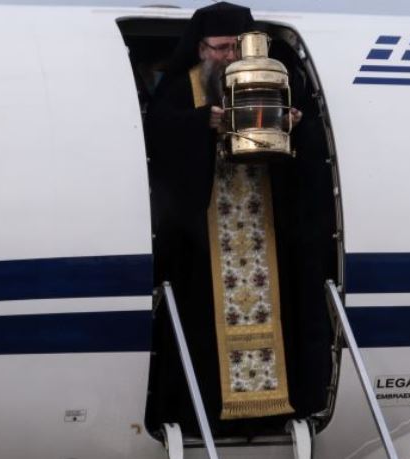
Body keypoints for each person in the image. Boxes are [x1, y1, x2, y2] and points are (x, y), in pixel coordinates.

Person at [144, 1, 299, 434]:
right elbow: (159, 132)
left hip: (261, 229)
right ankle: (201, 417)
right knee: (200, 324)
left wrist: (290, 121)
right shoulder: (183, 88)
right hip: (201, 235)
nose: (229, 57)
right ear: (200, 49)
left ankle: (265, 417)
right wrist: (200, 124)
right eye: (220, 48)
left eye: (236, 47)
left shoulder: (268, 82)